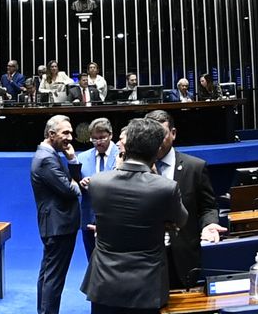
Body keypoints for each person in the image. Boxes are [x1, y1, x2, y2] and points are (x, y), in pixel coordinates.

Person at [81, 118, 187, 314]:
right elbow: (181, 220)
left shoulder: (98, 182)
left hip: (105, 281)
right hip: (146, 285)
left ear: (125, 147)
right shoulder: (165, 187)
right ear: (156, 151)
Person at [143, 109, 222, 288]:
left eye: (160, 135)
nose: (155, 141)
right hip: (146, 258)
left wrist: (209, 224)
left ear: (173, 133)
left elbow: (207, 207)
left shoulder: (195, 167)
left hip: (182, 256)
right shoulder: (137, 169)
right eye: (150, 135)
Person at [30, 115, 81, 314]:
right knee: (54, 277)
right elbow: (71, 190)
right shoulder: (46, 160)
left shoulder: (51, 156)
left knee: (48, 274)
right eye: (65, 132)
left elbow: (72, 183)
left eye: (71, 132)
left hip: (57, 224)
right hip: (58, 225)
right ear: (51, 134)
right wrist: (74, 184)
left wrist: (72, 160)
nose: (70, 137)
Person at [75, 117, 119, 258]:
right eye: (94, 139)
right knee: (92, 261)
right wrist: (81, 183)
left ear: (111, 135)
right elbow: (74, 184)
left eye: (102, 138)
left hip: (114, 218)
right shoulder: (82, 157)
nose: (98, 142)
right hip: (89, 217)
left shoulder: (121, 155)